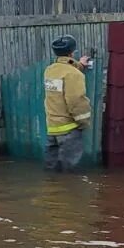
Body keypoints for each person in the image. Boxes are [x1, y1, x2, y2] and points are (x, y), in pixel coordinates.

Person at [43, 35, 92, 172]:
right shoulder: (74, 74)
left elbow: (64, 68)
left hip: (52, 129)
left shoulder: (50, 70)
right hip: (69, 131)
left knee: (51, 171)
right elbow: (76, 101)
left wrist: (80, 65)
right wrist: (84, 123)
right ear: (72, 52)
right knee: (69, 174)